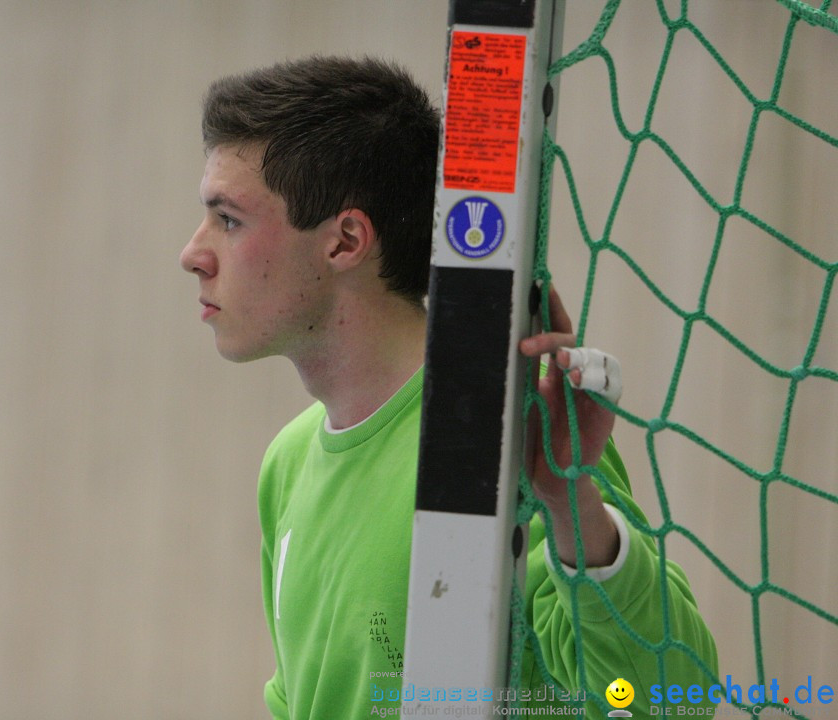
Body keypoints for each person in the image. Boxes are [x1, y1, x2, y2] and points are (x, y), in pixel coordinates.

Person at [179, 56, 717, 720]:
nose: (193, 253)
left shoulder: (509, 430)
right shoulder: (286, 464)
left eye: (228, 219)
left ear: (345, 240)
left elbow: (668, 701)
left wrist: (570, 501)